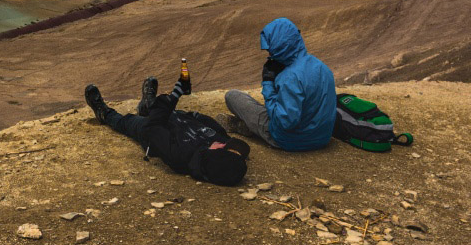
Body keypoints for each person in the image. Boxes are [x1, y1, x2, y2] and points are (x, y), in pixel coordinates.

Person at [84, 72, 250, 186]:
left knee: (125, 122)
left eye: (223, 149)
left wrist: (174, 95)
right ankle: (148, 104)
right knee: (156, 110)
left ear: (214, 157)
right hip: (177, 117)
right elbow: (216, 128)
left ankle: (103, 112)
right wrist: (194, 115)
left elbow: (153, 127)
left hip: (152, 130)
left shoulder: (179, 156)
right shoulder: (219, 143)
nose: (223, 144)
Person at [224, 17, 336, 151]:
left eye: (270, 50)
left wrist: (268, 83)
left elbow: (284, 122)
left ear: (279, 48)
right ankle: (250, 127)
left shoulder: (290, 77)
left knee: (232, 96)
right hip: (322, 138)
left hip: (292, 141)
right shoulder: (322, 67)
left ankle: (250, 128)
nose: (270, 54)